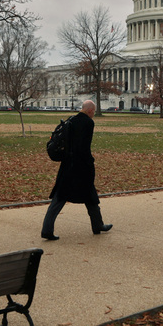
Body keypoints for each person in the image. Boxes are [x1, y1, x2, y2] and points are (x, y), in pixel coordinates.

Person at [41, 100, 112, 241]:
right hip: (81, 166)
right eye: (93, 112)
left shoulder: (71, 120)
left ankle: (47, 229)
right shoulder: (88, 123)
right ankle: (97, 225)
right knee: (89, 195)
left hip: (67, 164)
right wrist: (89, 162)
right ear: (90, 111)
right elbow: (84, 146)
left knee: (60, 198)